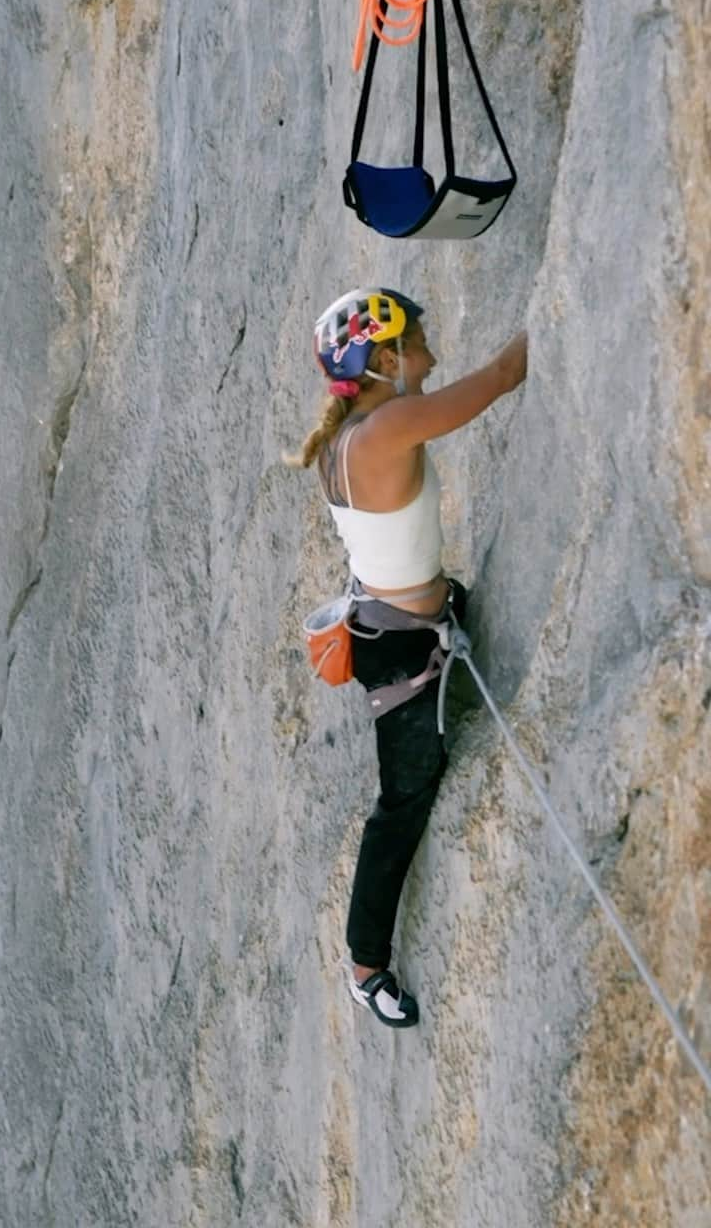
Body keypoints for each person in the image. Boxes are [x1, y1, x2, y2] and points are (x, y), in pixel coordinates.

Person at [290, 288, 527, 1028]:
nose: (431, 356)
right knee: (405, 798)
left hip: (393, 624)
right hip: (397, 650)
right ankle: (367, 966)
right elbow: (497, 379)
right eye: (419, 345)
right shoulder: (387, 427)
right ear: (385, 360)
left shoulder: (345, 439)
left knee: (409, 786)